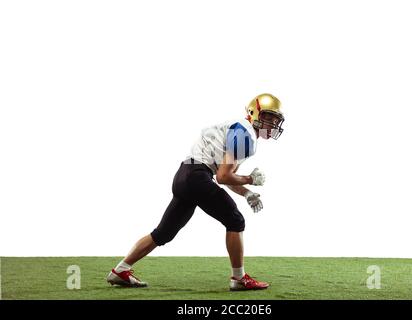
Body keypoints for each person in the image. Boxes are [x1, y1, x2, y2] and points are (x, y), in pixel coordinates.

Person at [107, 93, 285, 291]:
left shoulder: (238, 129)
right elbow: (223, 177)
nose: (272, 124)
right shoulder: (246, 133)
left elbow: (224, 174)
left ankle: (120, 270)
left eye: (276, 120)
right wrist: (251, 180)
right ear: (254, 113)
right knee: (235, 220)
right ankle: (239, 278)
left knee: (163, 233)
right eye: (269, 118)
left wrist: (246, 193)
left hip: (185, 175)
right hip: (197, 176)